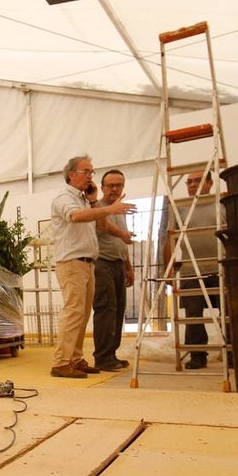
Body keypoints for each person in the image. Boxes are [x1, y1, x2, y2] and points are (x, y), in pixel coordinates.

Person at [49, 156, 137, 379]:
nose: (90, 176)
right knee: (74, 312)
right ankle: (60, 362)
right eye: (86, 171)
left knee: (83, 313)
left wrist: (95, 201)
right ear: (72, 174)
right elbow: (76, 217)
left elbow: (99, 225)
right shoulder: (63, 197)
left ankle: (75, 358)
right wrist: (109, 209)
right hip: (72, 262)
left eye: (91, 172)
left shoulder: (83, 200)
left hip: (88, 263)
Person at [163, 171, 226, 370]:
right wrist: (169, 269)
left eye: (197, 181)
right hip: (191, 269)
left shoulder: (222, 204)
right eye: (189, 182)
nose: (191, 185)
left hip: (221, 267)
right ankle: (198, 355)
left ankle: (233, 354)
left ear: (210, 183)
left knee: (229, 312)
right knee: (193, 314)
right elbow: (170, 238)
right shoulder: (180, 207)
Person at [91, 169, 135, 371]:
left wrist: (129, 268)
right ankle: (102, 356)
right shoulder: (97, 208)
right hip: (101, 263)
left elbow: (122, 243)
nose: (115, 189)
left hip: (118, 263)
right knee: (106, 308)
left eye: (119, 185)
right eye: (111, 185)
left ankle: (111, 354)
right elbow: (102, 228)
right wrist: (123, 233)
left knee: (118, 310)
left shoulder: (120, 210)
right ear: (102, 188)